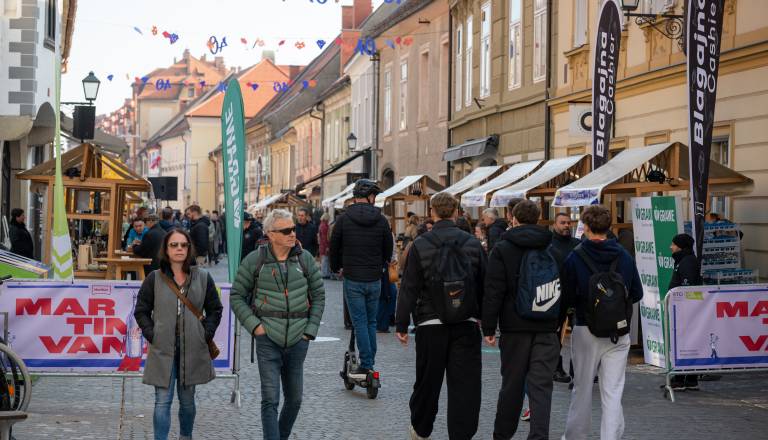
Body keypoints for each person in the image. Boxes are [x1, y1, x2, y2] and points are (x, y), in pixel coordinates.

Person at [395, 192, 486, 440]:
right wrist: (487, 325)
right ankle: (461, 434)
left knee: (427, 381)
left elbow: (409, 287)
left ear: (432, 213)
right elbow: (483, 285)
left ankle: (421, 429)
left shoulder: (421, 244)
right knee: (465, 385)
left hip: (430, 323)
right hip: (465, 323)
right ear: (456, 212)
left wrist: (401, 323)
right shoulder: (472, 244)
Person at [230, 209, 325, 440]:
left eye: (293, 229)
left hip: (298, 339)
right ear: (271, 234)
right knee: (270, 400)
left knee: (295, 400)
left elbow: (319, 296)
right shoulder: (256, 260)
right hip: (267, 340)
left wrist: (309, 332)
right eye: (286, 230)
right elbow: (236, 296)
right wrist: (255, 327)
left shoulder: (305, 258)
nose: (292, 234)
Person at [482, 200, 563, 440]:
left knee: (512, 385)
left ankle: (503, 434)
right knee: (541, 387)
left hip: (514, 327)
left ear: (513, 218)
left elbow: (493, 289)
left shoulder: (503, 249)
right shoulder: (553, 248)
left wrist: (488, 326)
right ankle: (539, 436)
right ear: (539, 219)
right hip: (547, 326)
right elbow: (563, 287)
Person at [561, 205, 643, 440]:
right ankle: (611, 437)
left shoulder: (575, 257)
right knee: (613, 390)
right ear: (609, 227)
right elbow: (636, 293)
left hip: (586, 327)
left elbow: (566, 295)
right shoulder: (624, 256)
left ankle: (576, 436)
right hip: (618, 331)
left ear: (585, 227)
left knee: (582, 388)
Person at [133, 228, 223, 440]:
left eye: (183, 245)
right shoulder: (154, 278)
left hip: (192, 347)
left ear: (189, 248)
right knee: (162, 401)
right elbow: (142, 310)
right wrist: (152, 334)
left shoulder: (203, 277)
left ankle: (186, 436)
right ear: (166, 249)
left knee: (188, 401)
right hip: (163, 347)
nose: (179, 249)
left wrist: (205, 333)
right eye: (174, 245)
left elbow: (215, 309)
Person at [329, 179, 393, 376]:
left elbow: (334, 246)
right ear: (370, 197)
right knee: (371, 322)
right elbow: (388, 249)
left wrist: (336, 267)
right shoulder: (382, 220)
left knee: (359, 321)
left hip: (353, 277)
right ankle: (369, 360)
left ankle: (366, 363)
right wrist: (379, 264)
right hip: (374, 278)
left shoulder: (343, 219)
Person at [549, 212, 580, 384]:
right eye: (563, 222)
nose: (567, 225)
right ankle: (555, 367)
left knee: (579, 334)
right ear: (555, 224)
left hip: (575, 296)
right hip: (556, 296)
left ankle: (577, 370)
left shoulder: (577, 244)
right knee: (555, 334)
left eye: (569, 222)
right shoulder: (549, 245)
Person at [667, 233, 701, 392]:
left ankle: (684, 378)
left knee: (686, 343)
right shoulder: (683, 260)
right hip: (683, 309)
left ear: (680, 246)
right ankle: (685, 377)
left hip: (685, 310)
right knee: (683, 343)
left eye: (673, 244)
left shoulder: (687, 261)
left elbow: (687, 287)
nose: (670, 247)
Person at [318, 213, 332, 278]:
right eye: (328, 218)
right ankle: (324, 273)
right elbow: (325, 238)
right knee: (325, 260)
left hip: (322, 244)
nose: (329, 219)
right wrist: (327, 246)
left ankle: (325, 273)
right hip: (324, 245)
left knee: (325, 259)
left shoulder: (321, 225)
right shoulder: (324, 226)